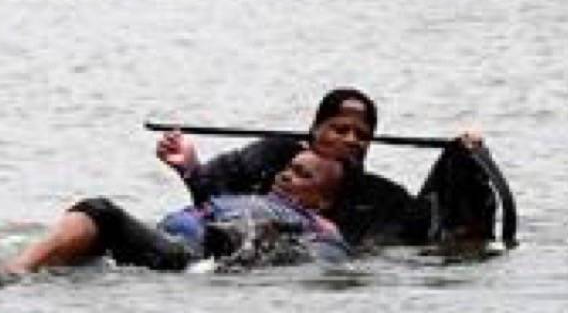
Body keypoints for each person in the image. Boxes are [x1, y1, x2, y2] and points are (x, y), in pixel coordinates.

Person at [0, 149, 351, 287]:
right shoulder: (244, 197)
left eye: (302, 175)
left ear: (321, 202)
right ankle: (16, 269)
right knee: (94, 218)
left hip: (191, 258)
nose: (285, 175)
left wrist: (258, 243)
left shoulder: (318, 227)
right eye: (288, 167)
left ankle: (9, 274)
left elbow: (322, 262)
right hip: (163, 241)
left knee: (102, 210)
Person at [155, 87, 496, 248]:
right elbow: (212, 190)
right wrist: (188, 165)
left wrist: (463, 161)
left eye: (362, 135)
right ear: (314, 131)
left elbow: (440, 224)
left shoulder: (382, 196)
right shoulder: (274, 156)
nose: (350, 139)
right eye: (339, 129)